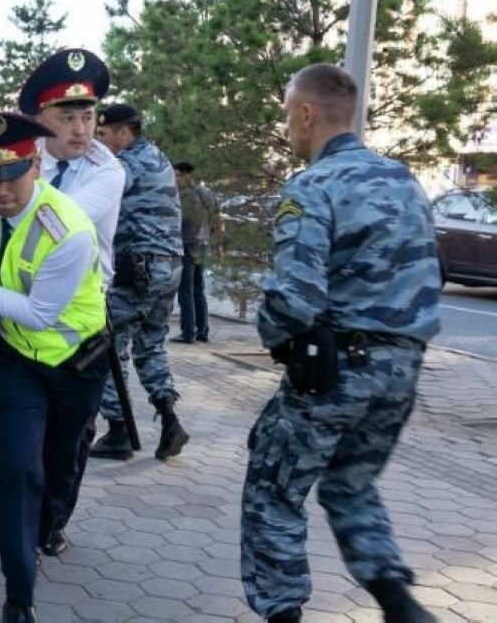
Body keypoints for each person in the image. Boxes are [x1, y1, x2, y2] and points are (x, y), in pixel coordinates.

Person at [241, 63, 441, 623]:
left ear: (306, 114)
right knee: (351, 485)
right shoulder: (404, 179)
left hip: (335, 371)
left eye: (287, 114)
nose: (287, 126)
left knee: (273, 489)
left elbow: (294, 301)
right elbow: (431, 274)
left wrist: (274, 337)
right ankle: (400, 605)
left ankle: (282, 612)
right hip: (403, 370)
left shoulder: (312, 185)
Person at [0, 113, 111, 623]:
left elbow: (39, 314)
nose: (0, 190)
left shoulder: (69, 231)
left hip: (75, 364)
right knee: (18, 470)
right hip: (16, 359)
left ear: (35, 163)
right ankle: (20, 595)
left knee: (58, 470)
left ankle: (46, 528)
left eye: (12, 173)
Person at [0, 48, 126, 556]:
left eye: (89, 117)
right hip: (9, 320)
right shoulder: (10, 155)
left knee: (66, 444)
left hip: (72, 332)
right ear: (40, 121)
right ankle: (1, 494)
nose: (83, 130)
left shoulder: (107, 172)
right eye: (67, 118)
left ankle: (48, 525)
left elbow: (50, 224)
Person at [88, 103, 190, 462]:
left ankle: (117, 431)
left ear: (124, 132)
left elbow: (96, 202)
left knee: (108, 346)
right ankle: (170, 420)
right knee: (151, 345)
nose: (100, 141)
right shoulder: (158, 158)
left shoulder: (126, 164)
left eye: (103, 134)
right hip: (169, 266)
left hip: (137, 266)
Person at [172, 161, 222, 344]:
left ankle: (188, 333)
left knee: (185, 290)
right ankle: (202, 331)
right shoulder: (207, 193)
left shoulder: (182, 195)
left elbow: (176, 221)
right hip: (202, 244)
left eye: (176, 175)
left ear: (184, 175)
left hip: (186, 244)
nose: (174, 179)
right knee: (198, 289)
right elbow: (217, 220)